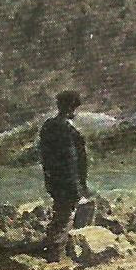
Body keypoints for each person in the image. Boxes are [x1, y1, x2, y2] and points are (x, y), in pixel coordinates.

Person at [38, 89, 90, 259]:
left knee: (60, 213)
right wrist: (79, 185)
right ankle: (55, 254)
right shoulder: (67, 129)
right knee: (64, 216)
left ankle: (53, 248)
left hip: (55, 179)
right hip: (68, 181)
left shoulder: (48, 126)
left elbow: (45, 156)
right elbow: (72, 161)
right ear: (72, 108)